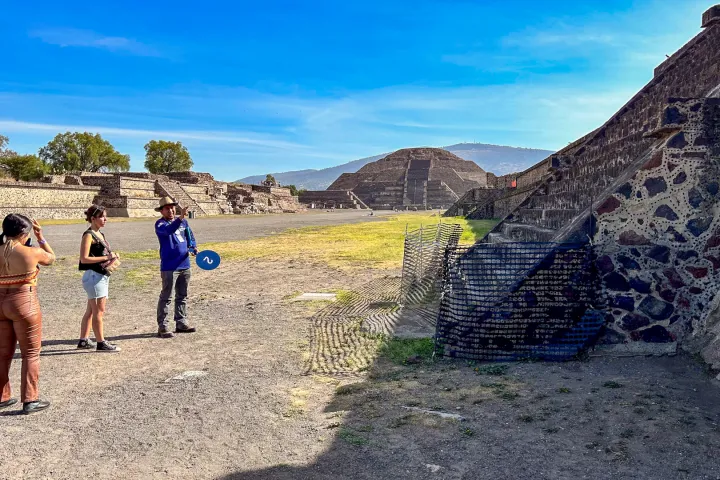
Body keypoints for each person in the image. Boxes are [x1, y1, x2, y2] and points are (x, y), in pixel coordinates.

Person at [0, 214, 55, 414]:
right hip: (24, 300)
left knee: (3, 353)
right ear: (24, 233)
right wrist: (41, 237)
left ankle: (2, 396)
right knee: (30, 353)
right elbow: (51, 258)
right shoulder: (31, 252)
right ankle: (30, 399)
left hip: (1, 301)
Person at [77, 205, 120, 352]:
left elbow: (99, 254)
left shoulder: (99, 234)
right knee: (98, 312)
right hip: (94, 277)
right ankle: (101, 343)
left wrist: (112, 256)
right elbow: (84, 259)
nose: (105, 219)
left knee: (90, 311)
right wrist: (107, 257)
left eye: (105, 216)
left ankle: (83, 340)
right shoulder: (89, 235)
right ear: (93, 218)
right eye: (102, 216)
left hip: (100, 276)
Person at [154, 197, 198, 338]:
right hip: (169, 267)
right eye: (167, 208)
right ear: (161, 211)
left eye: (172, 207)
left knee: (182, 295)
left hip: (185, 264)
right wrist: (180, 218)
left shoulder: (183, 222)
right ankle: (163, 326)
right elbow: (169, 231)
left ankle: (181, 322)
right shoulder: (160, 224)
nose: (171, 210)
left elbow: (189, 236)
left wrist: (192, 247)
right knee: (166, 297)